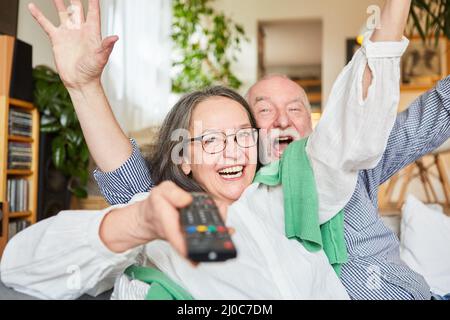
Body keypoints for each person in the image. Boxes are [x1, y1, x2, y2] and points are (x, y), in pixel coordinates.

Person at [0, 0, 411, 300]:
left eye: (242, 136)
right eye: (211, 140)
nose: (232, 152)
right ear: (184, 155)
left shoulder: (290, 195)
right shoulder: (159, 211)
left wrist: (393, 13)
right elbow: (20, 267)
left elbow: (352, 126)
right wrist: (138, 223)